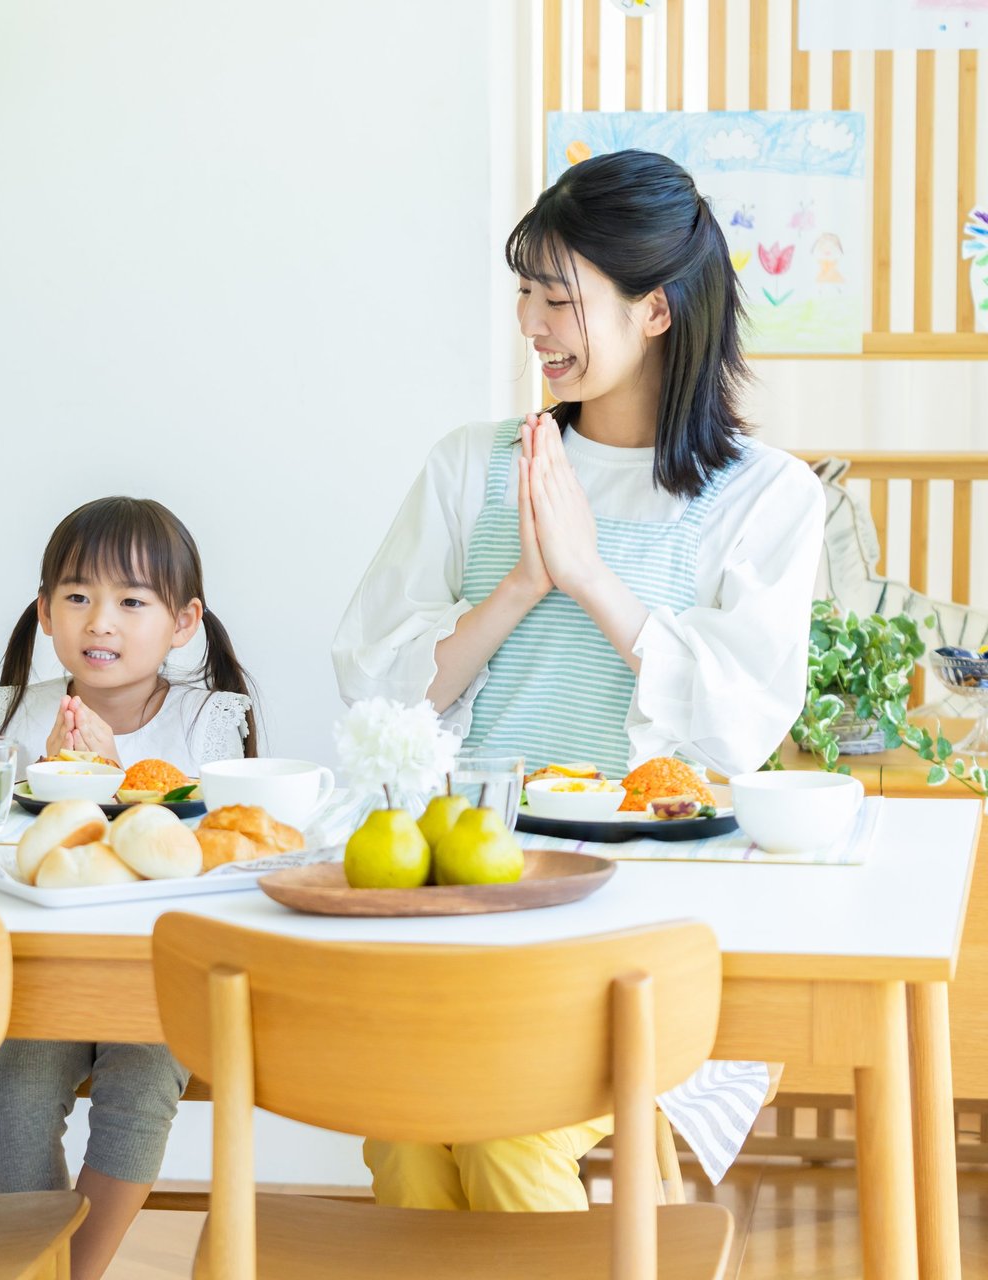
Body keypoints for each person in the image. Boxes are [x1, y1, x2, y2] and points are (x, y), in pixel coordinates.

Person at [333, 150, 823, 1210]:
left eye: (560, 296)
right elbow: (382, 694)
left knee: (506, 1135)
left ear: (656, 310)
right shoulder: (473, 464)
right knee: (413, 1133)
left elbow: (737, 725)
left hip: (644, 928)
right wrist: (519, 582)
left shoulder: (766, 497)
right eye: (525, 292)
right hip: (465, 905)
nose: (532, 323)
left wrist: (594, 577)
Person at [0, 495, 255, 1280]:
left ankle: (73, 1271)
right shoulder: (20, 716)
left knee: (140, 1084)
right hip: (43, 971)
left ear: (183, 621)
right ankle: (33, 1262)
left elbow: (219, 851)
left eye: (131, 601)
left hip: (160, 978)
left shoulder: (206, 720)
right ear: (44, 611)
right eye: (77, 597)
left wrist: (120, 779)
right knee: (19, 1081)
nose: (100, 620)